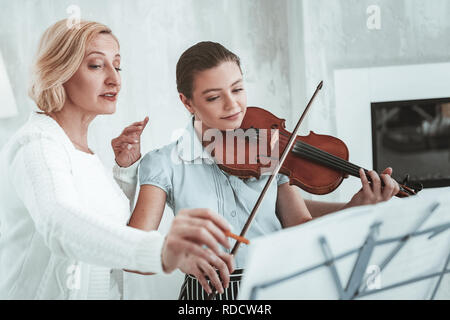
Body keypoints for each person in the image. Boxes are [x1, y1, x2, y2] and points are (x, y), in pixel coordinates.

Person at [119, 41, 400, 300]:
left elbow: (299, 224)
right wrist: (178, 256)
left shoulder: (269, 146)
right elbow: (133, 252)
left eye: (238, 89)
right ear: (187, 102)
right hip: (206, 295)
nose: (233, 105)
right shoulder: (164, 162)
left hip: (276, 286)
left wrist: (356, 205)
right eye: (214, 97)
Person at [0, 21, 233, 300]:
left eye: (117, 65)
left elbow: (103, 233)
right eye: (97, 65)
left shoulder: (80, 149)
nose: (115, 79)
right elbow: (60, 224)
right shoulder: (36, 143)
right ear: (59, 70)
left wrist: (124, 173)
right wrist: (162, 250)